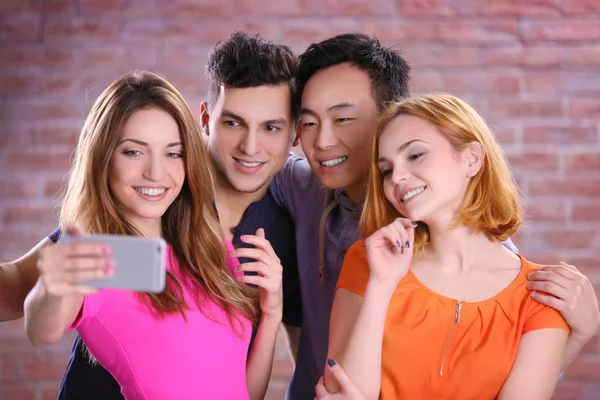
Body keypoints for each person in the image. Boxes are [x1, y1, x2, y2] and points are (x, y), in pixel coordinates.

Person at [270, 33, 599, 399]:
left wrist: (577, 335)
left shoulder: (524, 285)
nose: (323, 141)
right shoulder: (337, 223)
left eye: (343, 117)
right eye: (309, 123)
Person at [1, 32, 302, 400]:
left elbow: (240, 387)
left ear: (294, 134)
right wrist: (54, 286)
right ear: (207, 120)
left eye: (173, 154)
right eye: (234, 123)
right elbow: (41, 318)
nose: (250, 146)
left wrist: (271, 314)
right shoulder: (122, 251)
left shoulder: (219, 246)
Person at [327, 93, 569, 399]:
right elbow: (337, 391)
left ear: (471, 159)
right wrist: (382, 284)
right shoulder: (369, 261)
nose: (397, 177)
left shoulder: (540, 295)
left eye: (415, 155)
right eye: (386, 169)